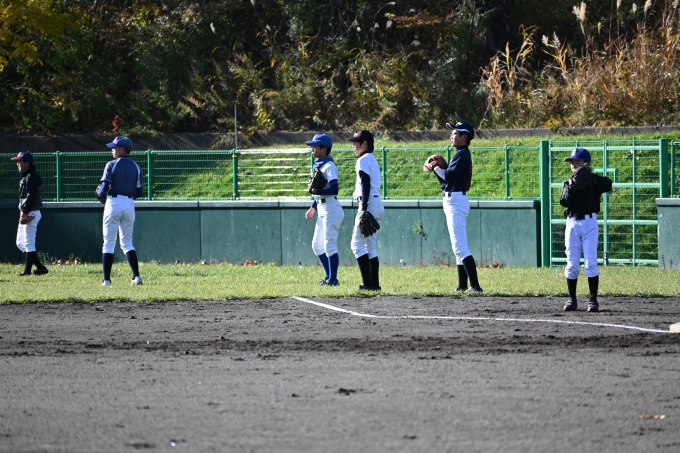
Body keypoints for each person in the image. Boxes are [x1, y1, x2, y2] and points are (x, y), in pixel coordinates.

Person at [428, 121, 483, 293]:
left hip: (456, 201)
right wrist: (439, 170)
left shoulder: (461, 154)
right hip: (455, 199)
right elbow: (447, 181)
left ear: (464, 137)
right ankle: (462, 285)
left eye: (455, 133)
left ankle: (475, 286)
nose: (451, 136)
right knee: (458, 246)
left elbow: (448, 176)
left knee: (460, 247)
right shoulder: (461, 153)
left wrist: (436, 168)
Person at [560, 147, 613, 312]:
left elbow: (608, 184)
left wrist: (593, 177)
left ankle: (593, 300)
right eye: (572, 162)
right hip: (572, 223)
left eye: (577, 162)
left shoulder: (593, 182)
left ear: (586, 164)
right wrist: (572, 186)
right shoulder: (568, 183)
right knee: (572, 264)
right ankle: (572, 300)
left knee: (590, 263)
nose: (574, 165)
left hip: (590, 223)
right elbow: (564, 202)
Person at [95, 136, 144, 286]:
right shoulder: (137, 167)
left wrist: (98, 192)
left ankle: (106, 280)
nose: (112, 150)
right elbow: (139, 192)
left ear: (122, 149)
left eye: (114, 148)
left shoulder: (111, 164)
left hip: (114, 202)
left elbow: (103, 188)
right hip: (129, 203)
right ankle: (136, 277)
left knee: (108, 243)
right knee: (127, 242)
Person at [304, 133, 345, 286]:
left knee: (329, 245)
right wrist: (313, 206)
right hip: (322, 207)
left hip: (331, 209)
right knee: (317, 246)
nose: (312, 149)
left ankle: (332, 280)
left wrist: (317, 191)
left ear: (324, 149)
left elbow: (334, 189)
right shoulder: (319, 165)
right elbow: (320, 192)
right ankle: (330, 278)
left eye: (315, 146)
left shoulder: (329, 166)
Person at [348, 130, 384, 290]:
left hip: (368, 203)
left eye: (356, 142)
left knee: (356, 244)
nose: (353, 146)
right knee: (370, 246)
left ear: (365, 144)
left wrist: (363, 208)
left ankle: (368, 284)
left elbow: (365, 183)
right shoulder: (372, 159)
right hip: (376, 203)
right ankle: (375, 284)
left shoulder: (363, 160)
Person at [12, 151, 49, 276]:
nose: (17, 164)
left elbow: (31, 196)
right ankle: (40, 267)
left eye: (19, 162)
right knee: (20, 243)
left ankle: (27, 271)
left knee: (29, 242)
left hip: (31, 212)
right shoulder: (26, 176)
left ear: (27, 163)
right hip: (26, 211)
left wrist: (24, 211)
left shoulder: (32, 177)